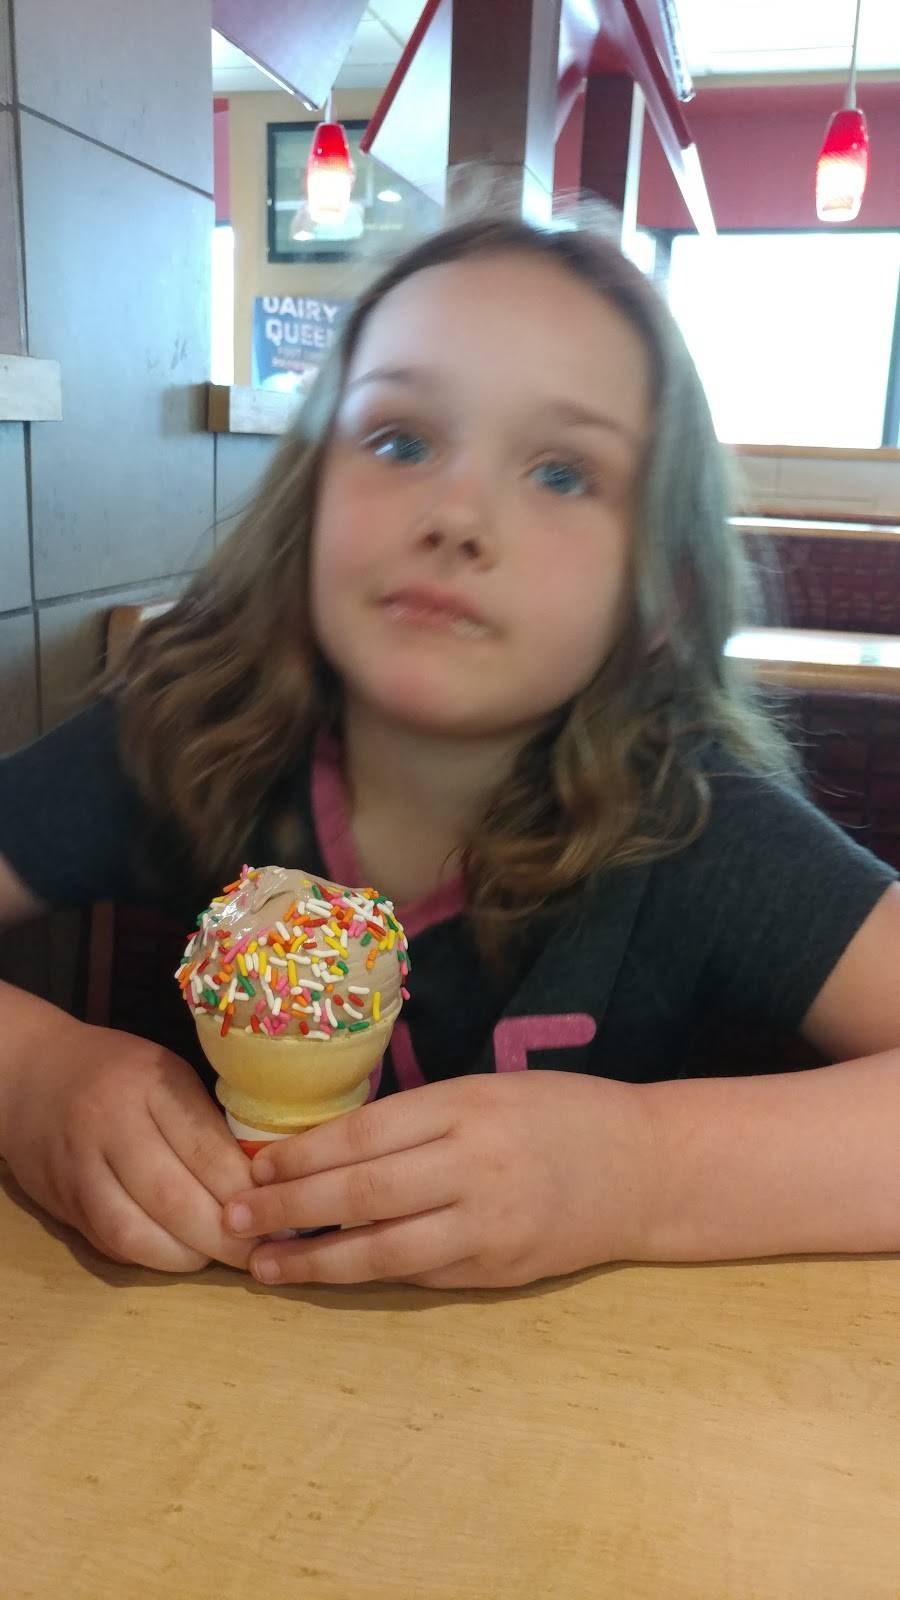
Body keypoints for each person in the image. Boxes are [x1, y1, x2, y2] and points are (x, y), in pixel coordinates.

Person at [1, 217, 899, 1291]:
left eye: (561, 473)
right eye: (400, 442)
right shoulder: (183, 734)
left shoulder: (691, 820)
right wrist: (28, 1074)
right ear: (308, 502)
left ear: (663, 595)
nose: (458, 514)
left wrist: (642, 1169)